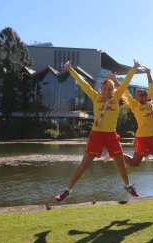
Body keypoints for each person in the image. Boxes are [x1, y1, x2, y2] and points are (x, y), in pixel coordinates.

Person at [55, 60, 141, 202]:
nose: (108, 91)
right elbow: (84, 84)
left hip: (111, 135)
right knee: (84, 165)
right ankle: (67, 190)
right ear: (101, 89)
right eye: (105, 89)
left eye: (110, 89)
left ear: (113, 90)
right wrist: (71, 70)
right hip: (97, 135)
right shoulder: (95, 97)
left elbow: (125, 82)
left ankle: (127, 186)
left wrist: (133, 69)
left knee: (120, 162)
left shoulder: (116, 97)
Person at [117, 66, 153, 167]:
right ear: (136, 97)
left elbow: (151, 87)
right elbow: (124, 90)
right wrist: (115, 80)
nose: (143, 96)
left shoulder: (150, 102)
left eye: (144, 94)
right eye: (140, 95)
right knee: (134, 163)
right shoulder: (134, 105)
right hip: (142, 138)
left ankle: (149, 151)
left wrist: (148, 74)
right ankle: (115, 153)